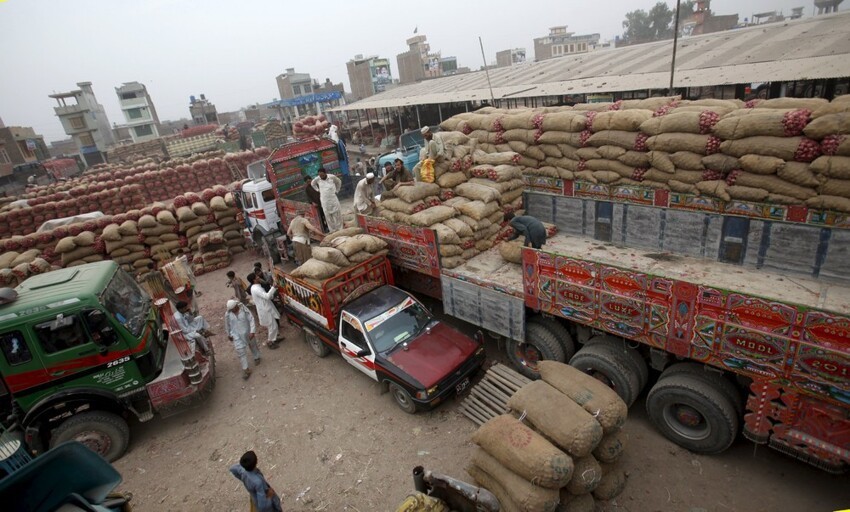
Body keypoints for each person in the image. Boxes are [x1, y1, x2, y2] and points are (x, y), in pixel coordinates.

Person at [224, 299, 261, 380]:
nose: (233, 310)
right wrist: (228, 334)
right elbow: (227, 325)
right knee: (240, 352)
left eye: (234, 309)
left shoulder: (244, 309)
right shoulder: (228, 314)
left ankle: (256, 357)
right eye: (231, 310)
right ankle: (246, 369)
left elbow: (251, 319)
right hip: (236, 336)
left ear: (236, 306)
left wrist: (252, 331)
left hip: (248, 333)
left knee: (253, 346)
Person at [249, 273, 281, 349]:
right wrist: (273, 287)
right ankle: (270, 341)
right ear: (254, 280)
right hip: (265, 310)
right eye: (257, 277)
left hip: (266, 307)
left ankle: (274, 339)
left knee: (273, 325)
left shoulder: (255, 287)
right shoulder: (256, 289)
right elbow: (266, 296)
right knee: (272, 326)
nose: (258, 277)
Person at [311, 168, 343, 233]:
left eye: (322, 175)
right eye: (320, 175)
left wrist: (337, 190)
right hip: (324, 200)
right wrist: (317, 190)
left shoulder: (332, 177)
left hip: (333, 198)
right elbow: (312, 183)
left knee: (337, 214)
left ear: (325, 173)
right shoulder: (317, 179)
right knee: (328, 216)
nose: (321, 176)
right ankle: (333, 230)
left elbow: (339, 182)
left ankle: (340, 229)